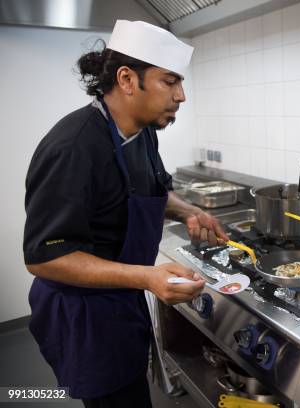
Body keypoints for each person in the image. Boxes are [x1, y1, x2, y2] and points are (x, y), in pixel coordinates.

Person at [22, 20, 228, 407]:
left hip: (122, 297)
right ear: (127, 79)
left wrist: (188, 212)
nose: (181, 95)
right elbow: (45, 257)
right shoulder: (74, 147)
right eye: (170, 81)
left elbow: (149, 190)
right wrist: (146, 276)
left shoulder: (144, 131)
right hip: (84, 314)